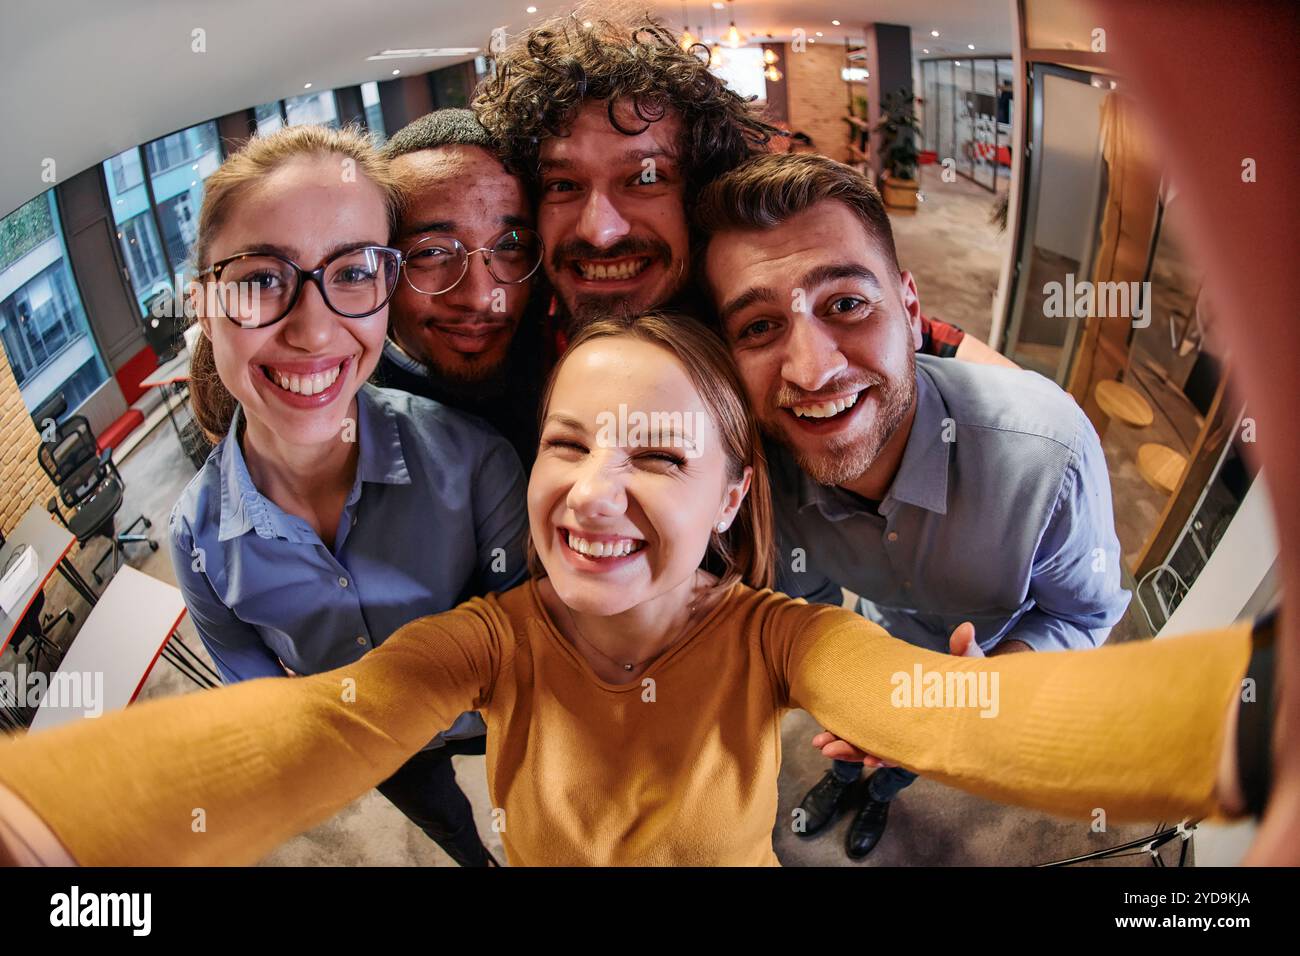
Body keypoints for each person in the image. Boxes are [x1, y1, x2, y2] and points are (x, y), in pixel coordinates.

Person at [0, 313, 1268, 867]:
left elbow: (944, 706)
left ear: (730, 496)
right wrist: (39, 824)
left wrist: (1253, 716)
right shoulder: (481, 641)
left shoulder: (788, 636)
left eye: (658, 454)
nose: (593, 493)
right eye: (570, 442)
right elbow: (317, 725)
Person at [695, 152, 1130, 858]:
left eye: (845, 305)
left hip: (988, 648)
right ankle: (843, 780)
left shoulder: (1048, 458)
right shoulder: (762, 472)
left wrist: (993, 688)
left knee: (901, 765)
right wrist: (840, 674)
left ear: (910, 308)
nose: (813, 371)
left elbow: (1085, 612)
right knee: (848, 744)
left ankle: (882, 798)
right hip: (873, 633)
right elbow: (798, 600)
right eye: (759, 328)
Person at [170, 124, 527, 866]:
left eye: (354, 271)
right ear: (203, 303)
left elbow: (536, 648)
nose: (313, 330)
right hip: (381, 752)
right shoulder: (197, 539)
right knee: (457, 833)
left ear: (387, 290)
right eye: (262, 278)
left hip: (502, 715)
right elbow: (267, 707)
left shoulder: (475, 460)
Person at [472, 8, 1005, 370]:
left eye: (644, 178)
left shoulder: (754, 313)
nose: (602, 230)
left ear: (698, 191)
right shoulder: (508, 338)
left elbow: (927, 345)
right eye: (563, 184)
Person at [373, 109, 552, 467]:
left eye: (510, 246)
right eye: (432, 252)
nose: (480, 296)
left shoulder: (563, 368)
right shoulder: (344, 424)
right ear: (379, 264)